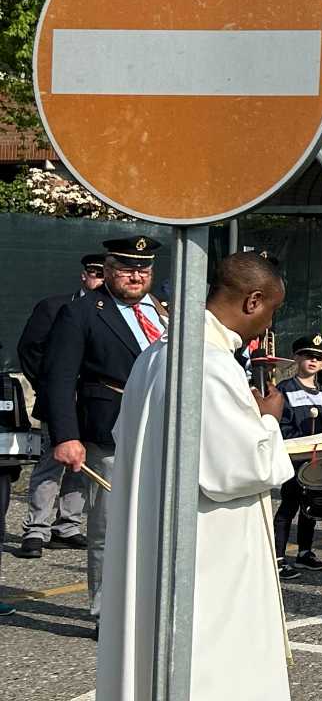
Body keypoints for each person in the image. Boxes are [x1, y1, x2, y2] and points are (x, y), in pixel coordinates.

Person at [97, 251, 296, 699]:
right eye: (271, 311)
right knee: (213, 657)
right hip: (209, 547)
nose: (268, 326)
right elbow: (237, 470)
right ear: (252, 300)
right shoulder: (207, 364)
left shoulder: (154, 355)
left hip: (156, 531)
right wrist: (268, 420)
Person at [43, 235, 165, 620]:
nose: (136, 276)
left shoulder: (165, 313)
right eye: (127, 268)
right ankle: (105, 610)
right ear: (109, 270)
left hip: (167, 428)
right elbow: (58, 378)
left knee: (164, 521)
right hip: (112, 429)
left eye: (143, 269)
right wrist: (65, 436)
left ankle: (154, 604)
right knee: (110, 525)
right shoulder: (82, 313)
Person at [13, 251, 104, 559]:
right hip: (60, 400)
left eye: (104, 273)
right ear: (84, 275)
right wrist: (50, 388)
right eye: (94, 272)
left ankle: (67, 525)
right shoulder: (55, 306)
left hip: (93, 403)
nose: (99, 278)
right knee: (50, 463)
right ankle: (36, 528)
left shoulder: (111, 314)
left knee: (83, 466)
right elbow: (30, 350)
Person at [273, 333, 322, 580]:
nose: (313, 361)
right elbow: (280, 425)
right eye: (307, 356)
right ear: (296, 358)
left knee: (311, 506)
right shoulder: (284, 390)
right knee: (289, 504)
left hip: (318, 461)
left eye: (319, 358)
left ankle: (305, 552)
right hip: (295, 459)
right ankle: (278, 557)